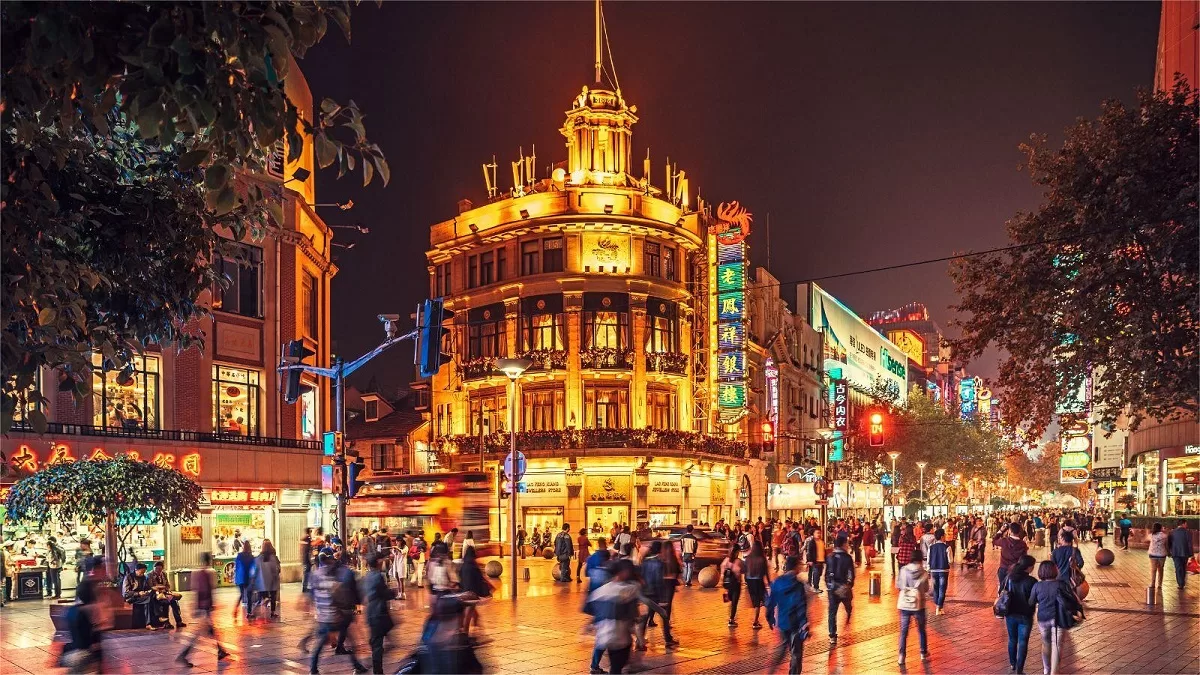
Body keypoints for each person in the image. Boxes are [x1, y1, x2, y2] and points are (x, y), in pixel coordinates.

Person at [310, 554, 368, 674]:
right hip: (334, 616)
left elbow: (313, 596)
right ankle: (356, 666)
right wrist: (355, 612)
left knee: (320, 643)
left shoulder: (316, 575)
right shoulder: (335, 577)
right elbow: (346, 597)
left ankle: (313, 669)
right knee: (350, 639)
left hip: (322, 616)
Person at [587, 559, 641, 675]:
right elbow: (632, 616)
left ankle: (595, 666)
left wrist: (589, 626)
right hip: (620, 638)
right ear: (623, 572)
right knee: (616, 668)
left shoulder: (599, 592)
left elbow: (593, 612)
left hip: (605, 637)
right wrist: (639, 638)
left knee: (616, 666)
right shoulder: (629, 590)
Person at [1028, 560, 1083, 675]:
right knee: (1057, 645)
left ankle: (1046, 669)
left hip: (1043, 618)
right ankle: (1054, 672)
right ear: (1054, 570)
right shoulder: (1061, 584)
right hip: (1058, 618)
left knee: (1046, 643)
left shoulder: (1037, 585)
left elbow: (1031, 601)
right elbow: (1072, 599)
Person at [177, 553, 229, 667]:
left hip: (202, 606)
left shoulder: (198, 573)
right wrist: (207, 605)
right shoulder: (206, 574)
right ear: (208, 561)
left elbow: (196, 590)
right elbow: (204, 591)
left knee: (210, 630)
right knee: (199, 633)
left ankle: (220, 651)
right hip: (204, 607)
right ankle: (183, 655)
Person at [765, 555, 808, 675]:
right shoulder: (798, 585)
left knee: (782, 648)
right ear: (795, 568)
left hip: (783, 622)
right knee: (796, 653)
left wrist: (770, 617)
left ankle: (771, 670)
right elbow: (800, 606)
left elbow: (770, 602)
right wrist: (804, 623)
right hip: (796, 624)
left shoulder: (777, 583)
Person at [1002, 555, 1037, 674]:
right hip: (1025, 615)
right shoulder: (1032, 581)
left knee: (1012, 639)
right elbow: (1034, 599)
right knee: (1023, 642)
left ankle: (1012, 664)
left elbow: (1001, 591)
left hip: (1010, 613)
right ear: (1029, 567)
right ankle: (1020, 669)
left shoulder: (1009, 577)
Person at [61, 574, 103, 672]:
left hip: (71, 653)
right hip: (84, 654)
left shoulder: (72, 610)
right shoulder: (88, 612)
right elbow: (91, 636)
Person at [362, 553, 396, 674]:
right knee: (377, 645)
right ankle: (377, 671)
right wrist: (393, 593)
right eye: (380, 560)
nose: (382, 561)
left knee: (377, 639)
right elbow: (384, 593)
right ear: (377, 562)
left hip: (371, 612)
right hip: (378, 613)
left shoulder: (367, 576)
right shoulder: (378, 576)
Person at [896, 548, 930, 666]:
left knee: (904, 631)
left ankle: (901, 656)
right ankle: (923, 653)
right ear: (920, 559)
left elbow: (899, 585)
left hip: (905, 605)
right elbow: (926, 589)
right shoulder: (924, 573)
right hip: (919, 605)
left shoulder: (903, 570)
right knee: (921, 629)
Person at [825, 533, 855, 646]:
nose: (847, 545)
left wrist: (829, 585)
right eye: (846, 543)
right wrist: (849, 585)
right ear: (843, 544)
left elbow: (827, 573)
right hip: (843, 587)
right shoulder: (847, 558)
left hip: (832, 588)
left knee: (832, 612)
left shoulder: (830, 556)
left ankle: (832, 635)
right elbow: (851, 574)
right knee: (847, 603)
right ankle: (848, 611)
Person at [148, 561, 185, 629]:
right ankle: (166, 623)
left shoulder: (164, 574)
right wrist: (161, 587)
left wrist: (166, 589)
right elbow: (151, 586)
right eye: (156, 569)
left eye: (160, 569)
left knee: (174, 602)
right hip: (156, 594)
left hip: (165, 593)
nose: (158, 571)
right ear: (154, 568)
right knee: (166, 602)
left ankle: (179, 621)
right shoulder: (150, 574)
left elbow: (167, 585)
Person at [122, 563, 160, 630]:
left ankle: (157, 618)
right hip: (132, 597)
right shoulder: (129, 577)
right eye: (141, 572)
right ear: (136, 570)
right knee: (148, 599)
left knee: (154, 596)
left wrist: (151, 590)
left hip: (142, 596)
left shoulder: (144, 577)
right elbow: (125, 593)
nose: (142, 574)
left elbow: (147, 588)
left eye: (144, 572)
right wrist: (138, 593)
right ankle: (150, 622)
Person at [994, 523, 1030, 594]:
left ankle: (1003, 601)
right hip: (1016, 570)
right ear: (1019, 531)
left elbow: (994, 540)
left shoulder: (1004, 541)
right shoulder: (1022, 544)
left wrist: (1001, 531)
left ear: (1010, 531)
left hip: (1004, 569)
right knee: (1015, 589)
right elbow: (1023, 558)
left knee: (1003, 588)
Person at [744, 541, 771, 629]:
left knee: (756, 601)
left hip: (750, 581)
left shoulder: (748, 558)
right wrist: (769, 582)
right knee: (763, 600)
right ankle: (756, 621)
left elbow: (745, 571)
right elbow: (765, 573)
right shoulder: (762, 559)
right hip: (759, 581)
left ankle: (756, 621)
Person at [254, 539, 282, 619]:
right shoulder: (273, 557)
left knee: (263, 593)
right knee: (273, 595)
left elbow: (255, 569)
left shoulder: (259, 558)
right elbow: (277, 569)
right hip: (273, 580)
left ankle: (265, 599)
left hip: (263, 580)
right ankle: (272, 612)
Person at [720, 545, 745, 627]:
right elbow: (742, 571)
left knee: (730, 600)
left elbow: (722, 570)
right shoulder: (738, 561)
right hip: (735, 584)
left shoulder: (726, 560)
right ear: (737, 552)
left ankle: (730, 614)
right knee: (734, 603)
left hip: (727, 584)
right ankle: (731, 619)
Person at [927, 528, 950, 615]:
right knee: (942, 589)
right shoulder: (947, 547)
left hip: (933, 570)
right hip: (943, 570)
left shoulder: (931, 547)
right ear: (942, 536)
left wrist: (928, 569)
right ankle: (939, 606)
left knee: (935, 588)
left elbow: (929, 559)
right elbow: (950, 560)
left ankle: (939, 606)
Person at [1167, 519, 1195, 589]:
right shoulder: (1188, 532)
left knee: (1178, 568)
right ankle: (1182, 582)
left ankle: (1180, 583)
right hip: (1185, 553)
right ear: (1183, 524)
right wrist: (1191, 553)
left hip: (1175, 553)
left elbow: (1169, 543)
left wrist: (1169, 552)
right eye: (1186, 524)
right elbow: (1189, 544)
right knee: (1183, 567)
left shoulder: (1172, 532)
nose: (1187, 525)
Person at [233, 540, 254, 620]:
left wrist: (237, 578)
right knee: (249, 596)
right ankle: (249, 612)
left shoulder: (239, 555)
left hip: (241, 578)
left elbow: (236, 567)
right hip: (248, 578)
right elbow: (253, 568)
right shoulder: (251, 557)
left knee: (241, 595)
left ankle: (236, 609)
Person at [1148, 522, 1169, 589]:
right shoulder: (1164, 536)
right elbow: (1166, 545)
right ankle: (1160, 584)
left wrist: (1147, 531)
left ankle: (1152, 583)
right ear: (1160, 528)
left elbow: (1145, 539)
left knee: (1153, 569)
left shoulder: (1151, 535)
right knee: (1161, 569)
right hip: (1162, 554)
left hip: (1153, 554)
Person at [805, 529, 825, 593]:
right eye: (817, 533)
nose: (819, 534)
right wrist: (809, 560)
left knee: (819, 574)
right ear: (813, 534)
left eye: (819, 533)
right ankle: (816, 587)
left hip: (821, 561)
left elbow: (823, 551)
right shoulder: (812, 542)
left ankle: (816, 587)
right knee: (816, 574)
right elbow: (809, 552)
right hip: (815, 561)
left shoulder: (822, 542)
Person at [301, 529, 314, 593]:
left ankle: (305, 587)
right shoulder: (308, 539)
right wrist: (311, 561)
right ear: (309, 532)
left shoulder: (303, 539)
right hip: (307, 560)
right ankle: (305, 588)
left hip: (304, 560)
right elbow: (309, 551)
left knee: (306, 574)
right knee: (307, 574)